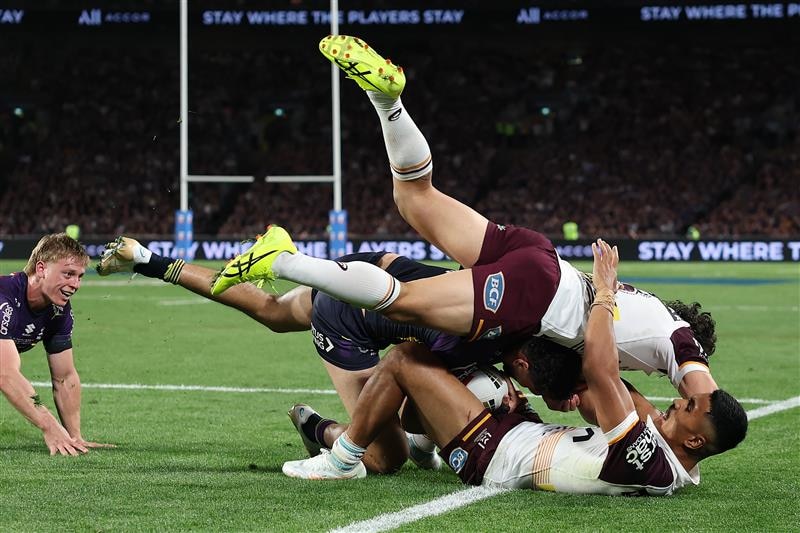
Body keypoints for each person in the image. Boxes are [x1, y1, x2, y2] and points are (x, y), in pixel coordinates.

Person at [209, 35, 719, 401]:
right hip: (536, 295)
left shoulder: (645, 310)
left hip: (540, 258)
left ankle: (387, 101)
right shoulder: (678, 343)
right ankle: (285, 259)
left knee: (414, 194)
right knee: (403, 302)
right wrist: (697, 416)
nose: (679, 399)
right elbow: (704, 397)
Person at [281, 239, 748, 497]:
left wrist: (604, 293)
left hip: (499, 455)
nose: (676, 398)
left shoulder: (648, 461)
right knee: (459, 365)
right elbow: (595, 394)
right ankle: (418, 440)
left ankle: (342, 456)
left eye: (686, 405)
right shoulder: (670, 460)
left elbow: (602, 375)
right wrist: (565, 392)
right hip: (519, 425)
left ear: (695, 438)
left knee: (407, 361)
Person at [97, 238, 580, 472]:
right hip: (348, 320)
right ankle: (317, 427)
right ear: (521, 363)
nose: (529, 393)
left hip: (369, 273)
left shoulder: (513, 317)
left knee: (270, 310)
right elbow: (414, 401)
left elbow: (402, 268)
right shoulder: (466, 339)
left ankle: (147, 259)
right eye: (534, 386)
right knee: (385, 456)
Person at [0, 233, 113, 456]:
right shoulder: (4, 299)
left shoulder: (59, 311)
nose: (75, 284)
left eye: (80, 276)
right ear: (41, 269)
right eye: (68, 274)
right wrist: (50, 427)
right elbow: (5, 373)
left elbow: (65, 377)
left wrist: (74, 437)